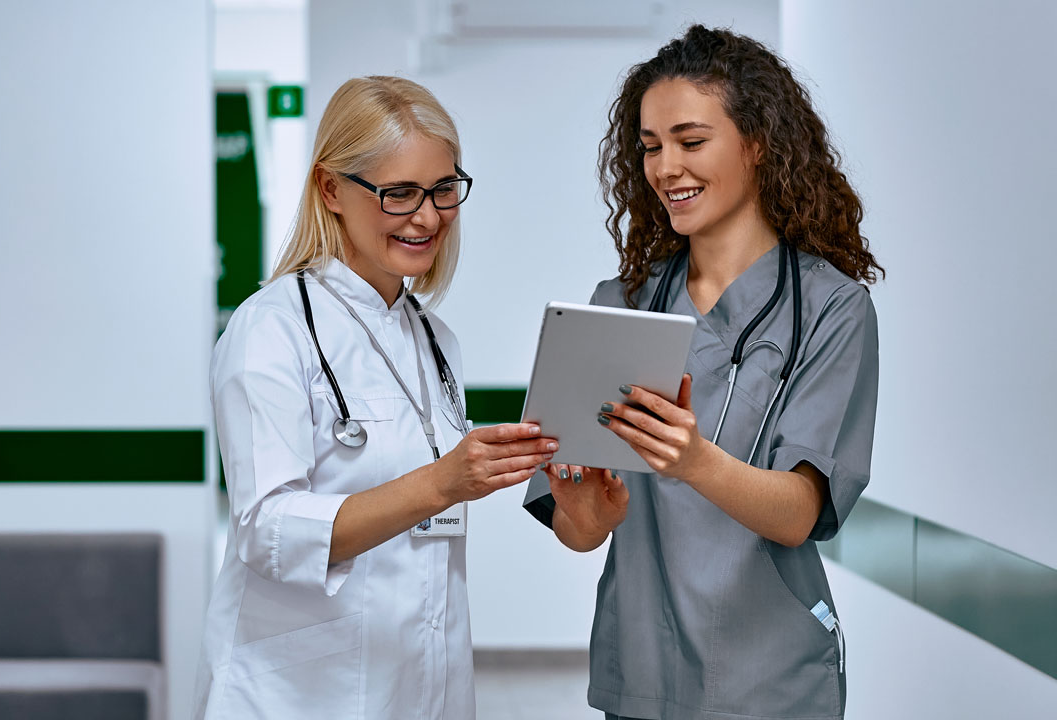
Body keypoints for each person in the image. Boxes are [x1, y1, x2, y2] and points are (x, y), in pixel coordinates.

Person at [523, 25, 884, 720]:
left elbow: (800, 514)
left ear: (758, 143)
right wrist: (585, 512)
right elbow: (579, 529)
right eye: (651, 147)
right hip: (643, 676)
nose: (666, 168)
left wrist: (693, 462)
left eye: (690, 142)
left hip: (769, 681)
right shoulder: (618, 305)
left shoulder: (831, 308)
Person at [197, 76, 558, 720]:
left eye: (443, 189)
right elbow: (267, 529)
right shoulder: (271, 328)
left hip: (422, 682)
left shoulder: (433, 339)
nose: (428, 217)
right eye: (399, 193)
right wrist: (440, 484)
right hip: (301, 694)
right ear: (330, 189)